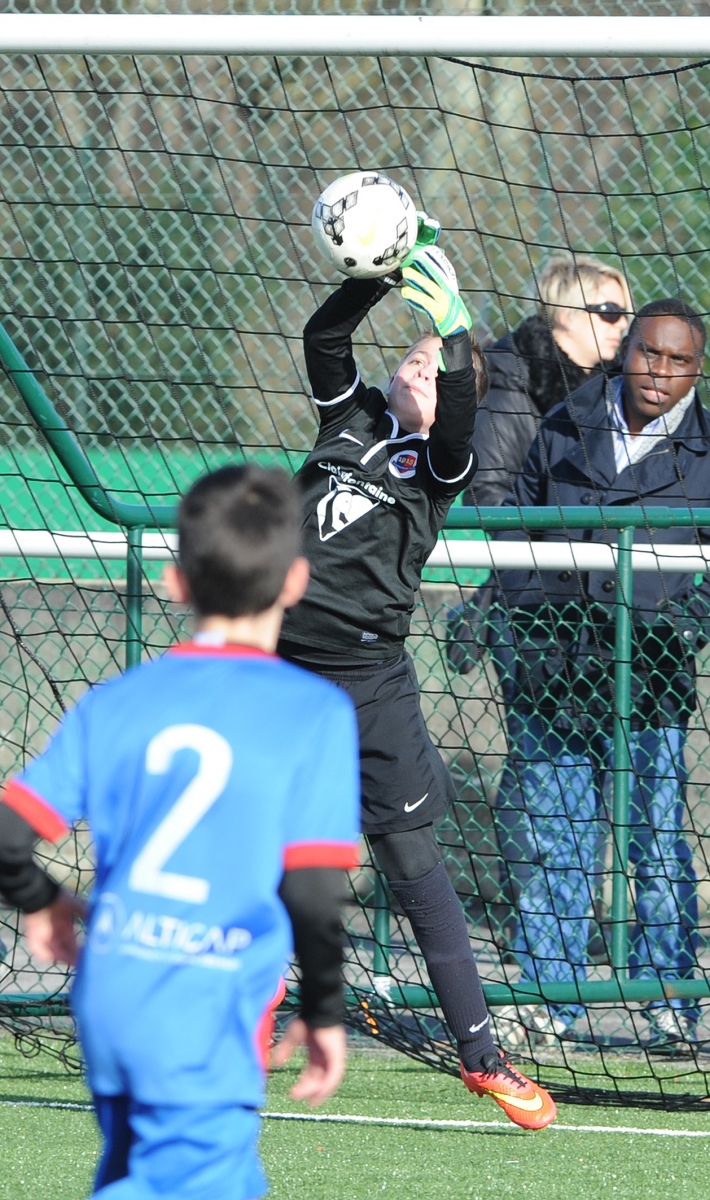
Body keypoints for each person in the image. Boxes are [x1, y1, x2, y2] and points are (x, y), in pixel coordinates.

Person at [0, 464, 360, 1200]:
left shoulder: (115, 702)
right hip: (206, 1009)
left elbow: (6, 837)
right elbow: (313, 890)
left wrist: (43, 900)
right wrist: (324, 1009)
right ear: (296, 581)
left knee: (150, 1172)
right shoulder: (314, 711)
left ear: (175, 583)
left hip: (112, 993)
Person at [278, 240, 556, 1129]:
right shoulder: (350, 421)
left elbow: (461, 409)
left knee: (411, 863)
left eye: (439, 370)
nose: (421, 365)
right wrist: (376, 274)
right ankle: (245, 1001)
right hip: (277, 666)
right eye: (417, 353)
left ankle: (482, 1056)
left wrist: (457, 332)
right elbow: (325, 339)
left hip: (369, 680)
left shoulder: (440, 465)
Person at [493, 298, 710, 1049]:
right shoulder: (565, 423)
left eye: (679, 361)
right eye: (650, 352)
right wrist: (524, 618)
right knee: (558, 842)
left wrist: (687, 621)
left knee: (655, 842)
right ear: (626, 352)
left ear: (697, 370)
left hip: (650, 682)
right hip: (553, 674)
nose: (660, 371)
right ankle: (546, 1001)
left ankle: (671, 1000)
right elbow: (515, 528)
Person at [467, 254, 632, 509]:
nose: (622, 323)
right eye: (610, 312)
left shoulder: (615, 395)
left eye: (625, 314)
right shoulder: (507, 385)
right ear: (566, 315)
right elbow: (485, 497)